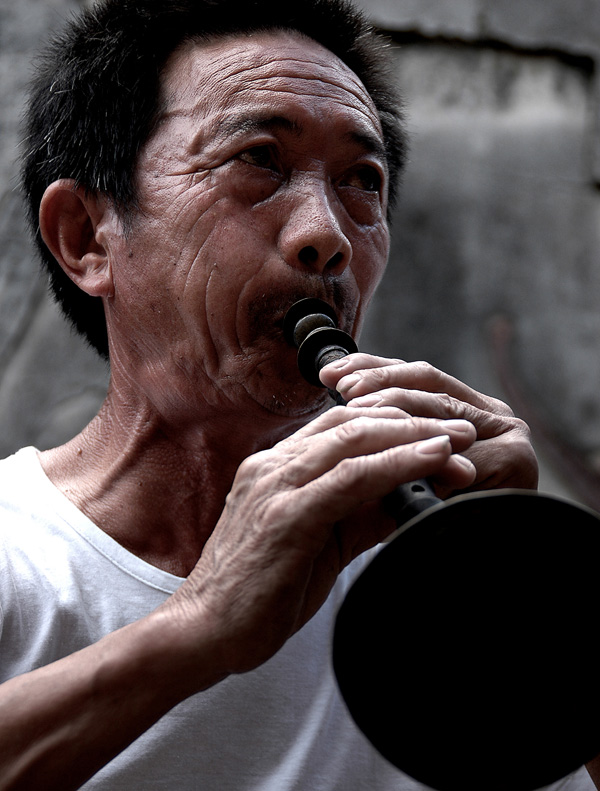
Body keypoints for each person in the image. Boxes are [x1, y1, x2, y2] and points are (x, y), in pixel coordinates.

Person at [0, 0, 590, 788]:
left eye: (362, 181)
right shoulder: (16, 556)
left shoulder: (425, 585)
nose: (328, 235)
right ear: (86, 236)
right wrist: (201, 625)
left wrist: (549, 613)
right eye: (260, 161)